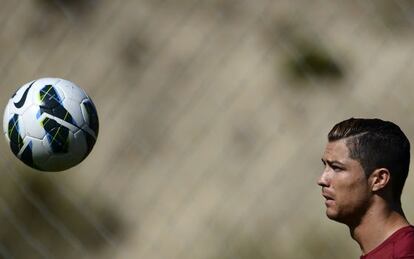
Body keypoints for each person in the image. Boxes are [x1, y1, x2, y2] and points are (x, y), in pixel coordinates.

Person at [317, 118, 414, 258]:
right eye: (325, 166)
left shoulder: (405, 253)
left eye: (336, 168)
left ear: (379, 179)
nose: (321, 180)